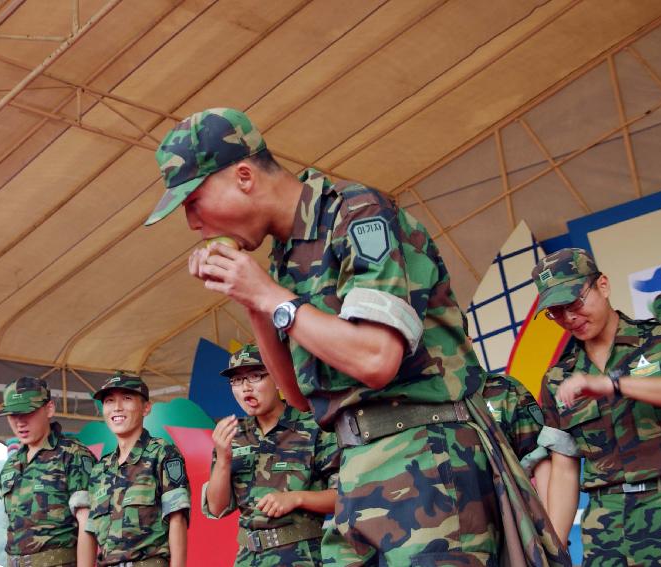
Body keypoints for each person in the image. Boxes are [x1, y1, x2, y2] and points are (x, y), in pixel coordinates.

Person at [146, 108, 568, 566]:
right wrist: (252, 300)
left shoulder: (357, 213)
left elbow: (376, 359)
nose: (192, 224)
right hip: (358, 464)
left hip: (427, 457)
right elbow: (297, 395)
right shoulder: (286, 258)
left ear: (244, 176)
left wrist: (270, 296)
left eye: (193, 202)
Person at [532, 248, 661, 565]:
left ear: (604, 286)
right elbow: (565, 469)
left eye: (574, 302)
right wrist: (554, 551)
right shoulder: (558, 379)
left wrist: (614, 384)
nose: (568, 318)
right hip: (605, 530)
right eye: (556, 312)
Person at [204, 343, 340, 566]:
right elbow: (216, 508)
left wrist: (296, 498)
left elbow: (344, 496)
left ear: (277, 379)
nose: (245, 387)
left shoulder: (313, 427)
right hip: (248, 559)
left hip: (301, 557)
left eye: (255, 376)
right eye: (236, 380)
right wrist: (223, 458)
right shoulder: (233, 435)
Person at [86, 372, 190, 567]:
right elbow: (90, 533)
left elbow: (177, 520)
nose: (117, 407)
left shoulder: (163, 453)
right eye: (109, 401)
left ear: (146, 408)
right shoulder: (100, 469)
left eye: (126, 398)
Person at [0, 376, 96, 567]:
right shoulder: (11, 466)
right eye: (13, 415)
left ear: (49, 408)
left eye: (27, 412)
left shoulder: (72, 455)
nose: (20, 422)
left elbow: (88, 525)